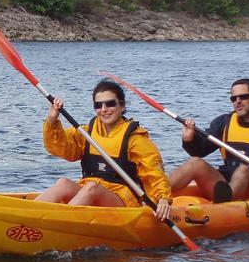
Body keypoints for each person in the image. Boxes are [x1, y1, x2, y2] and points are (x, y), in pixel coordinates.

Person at [34, 80, 172, 220]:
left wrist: (162, 198)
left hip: (123, 199)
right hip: (89, 191)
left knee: (92, 188)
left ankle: (58, 223)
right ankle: (29, 215)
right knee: (63, 183)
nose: (104, 109)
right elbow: (62, 148)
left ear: (122, 106)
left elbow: (154, 172)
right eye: (98, 105)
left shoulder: (135, 139)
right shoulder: (87, 132)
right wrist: (52, 120)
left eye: (110, 103)